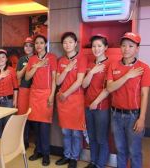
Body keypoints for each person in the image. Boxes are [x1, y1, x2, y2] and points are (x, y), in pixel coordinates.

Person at [107, 32, 150, 168]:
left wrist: (142, 118)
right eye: (124, 45)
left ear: (137, 48)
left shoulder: (144, 68)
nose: (126, 49)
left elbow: (144, 94)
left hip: (134, 116)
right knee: (120, 149)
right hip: (115, 114)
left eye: (131, 46)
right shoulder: (113, 65)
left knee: (134, 151)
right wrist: (127, 76)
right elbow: (109, 88)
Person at [55, 32, 87, 168]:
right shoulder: (61, 60)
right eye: (65, 42)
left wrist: (66, 93)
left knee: (76, 132)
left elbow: (80, 81)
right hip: (63, 101)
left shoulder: (82, 59)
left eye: (70, 42)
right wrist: (67, 69)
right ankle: (66, 155)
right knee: (65, 131)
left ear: (75, 43)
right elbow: (57, 81)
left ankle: (74, 157)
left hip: (75, 99)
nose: (67, 45)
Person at [25, 34, 57, 166]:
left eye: (41, 43)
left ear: (45, 44)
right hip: (34, 95)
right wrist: (37, 66)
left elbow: (55, 78)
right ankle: (37, 150)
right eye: (36, 43)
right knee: (36, 126)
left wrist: (52, 95)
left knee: (44, 126)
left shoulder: (52, 58)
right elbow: (27, 77)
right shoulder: (32, 59)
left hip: (46, 94)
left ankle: (46, 154)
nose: (38, 45)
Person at [82, 34, 110, 168]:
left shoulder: (110, 64)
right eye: (94, 46)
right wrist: (92, 72)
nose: (96, 48)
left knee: (101, 138)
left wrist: (95, 102)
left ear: (105, 47)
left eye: (99, 46)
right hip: (88, 106)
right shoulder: (90, 64)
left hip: (102, 108)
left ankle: (100, 164)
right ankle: (93, 162)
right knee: (91, 137)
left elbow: (108, 89)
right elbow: (84, 85)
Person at [16, 37, 34, 149]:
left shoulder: (38, 58)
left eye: (30, 46)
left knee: (34, 116)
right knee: (23, 116)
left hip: (35, 90)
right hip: (23, 89)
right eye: (26, 45)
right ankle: (24, 141)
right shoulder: (22, 59)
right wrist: (27, 66)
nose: (28, 48)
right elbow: (18, 76)